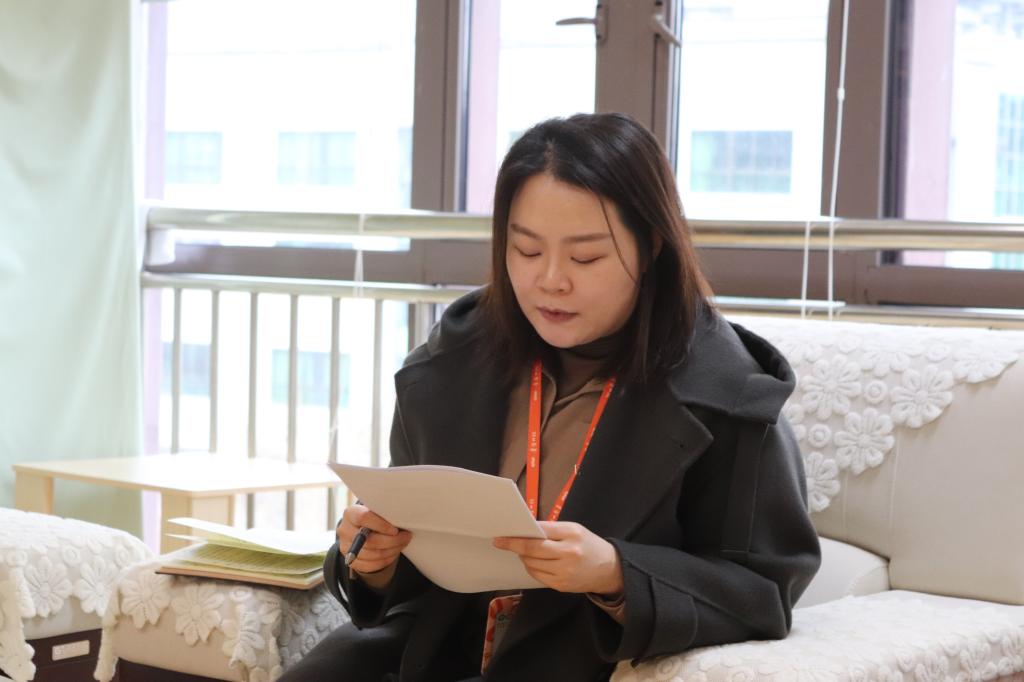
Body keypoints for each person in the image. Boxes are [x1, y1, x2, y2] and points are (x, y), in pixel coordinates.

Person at [280, 112, 821, 682]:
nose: (551, 281)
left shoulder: (728, 397)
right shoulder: (456, 358)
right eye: (527, 251)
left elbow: (764, 590)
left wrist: (616, 574)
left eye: (585, 258)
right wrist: (372, 559)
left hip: (572, 660)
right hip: (426, 649)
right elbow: (412, 560)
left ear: (651, 246)